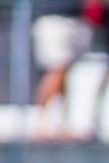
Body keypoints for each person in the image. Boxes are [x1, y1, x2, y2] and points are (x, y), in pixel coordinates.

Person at [29, 1, 95, 140]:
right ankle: (39, 123)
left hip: (74, 19)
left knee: (65, 75)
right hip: (54, 19)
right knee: (56, 71)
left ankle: (59, 123)